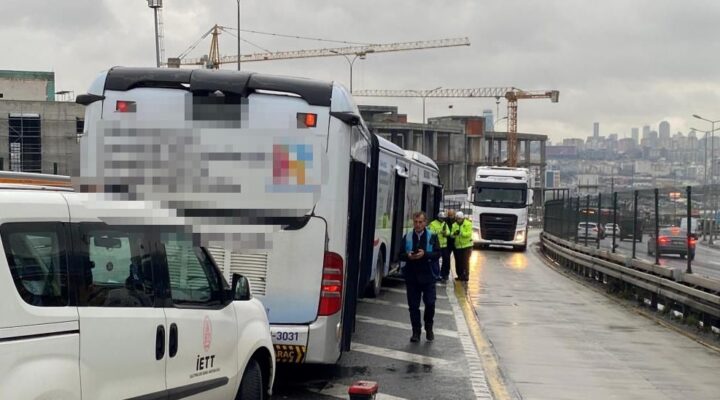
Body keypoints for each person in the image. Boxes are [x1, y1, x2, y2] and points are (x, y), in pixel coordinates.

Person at [399, 211, 441, 342]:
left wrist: (425, 254)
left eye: (420, 222)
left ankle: (429, 327)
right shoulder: (408, 236)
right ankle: (416, 332)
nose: (418, 225)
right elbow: (399, 254)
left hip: (428, 276)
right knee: (413, 306)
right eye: (416, 222)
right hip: (412, 276)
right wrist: (408, 256)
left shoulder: (432, 236)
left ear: (425, 223)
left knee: (430, 303)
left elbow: (438, 254)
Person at [428, 211, 450, 282]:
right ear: (439, 218)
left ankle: (444, 275)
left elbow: (448, 232)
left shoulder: (444, 224)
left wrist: (446, 233)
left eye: (444, 218)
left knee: (446, 260)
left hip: (444, 245)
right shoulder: (433, 224)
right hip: (437, 246)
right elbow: (431, 232)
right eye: (442, 218)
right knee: (435, 261)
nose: (443, 219)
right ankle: (435, 274)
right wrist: (440, 232)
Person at [451, 211, 473, 281]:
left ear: (463, 218)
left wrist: (461, 233)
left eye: (459, 218)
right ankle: (460, 275)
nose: (458, 220)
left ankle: (466, 276)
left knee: (465, 261)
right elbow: (451, 235)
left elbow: (468, 234)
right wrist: (454, 234)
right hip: (458, 246)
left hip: (467, 246)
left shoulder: (468, 224)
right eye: (457, 219)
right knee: (458, 262)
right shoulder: (454, 225)